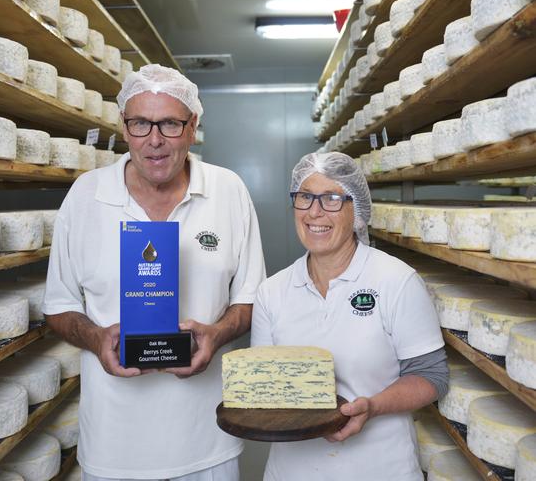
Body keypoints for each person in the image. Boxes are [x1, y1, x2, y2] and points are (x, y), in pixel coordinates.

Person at [42, 64, 266, 481]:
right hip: (114, 445)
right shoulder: (86, 195)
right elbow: (59, 306)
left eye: (170, 123)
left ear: (193, 125)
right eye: (141, 123)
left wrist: (217, 334)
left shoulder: (229, 190)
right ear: (124, 127)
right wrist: (96, 338)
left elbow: (251, 298)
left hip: (208, 443)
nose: (155, 140)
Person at [251, 151, 448, 481]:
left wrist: (372, 406)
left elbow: (431, 377)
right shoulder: (272, 292)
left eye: (331, 198)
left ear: (355, 209)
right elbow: (266, 387)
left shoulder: (395, 281)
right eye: (305, 197)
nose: (315, 211)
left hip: (380, 468)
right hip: (291, 471)